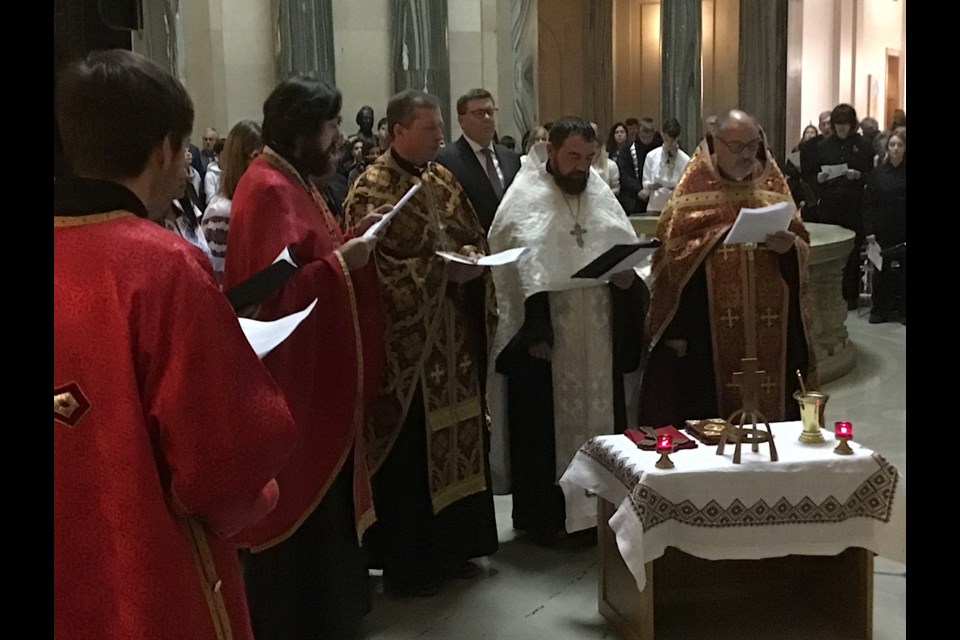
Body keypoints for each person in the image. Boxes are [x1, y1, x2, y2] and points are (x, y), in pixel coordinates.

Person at [54, 49, 296, 640]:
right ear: (164, 148)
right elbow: (218, 457)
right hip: (141, 560)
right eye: (185, 148)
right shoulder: (162, 266)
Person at [223, 77, 387, 640]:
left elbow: (311, 255)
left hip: (320, 381)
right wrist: (346, 264)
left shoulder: (296, 180)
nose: (339, 139)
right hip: (297, 385)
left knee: (328, 529)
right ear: (298, 134)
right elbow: (270, 293)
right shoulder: (268, 188)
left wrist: (353, 240)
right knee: (301, 540)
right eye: (329, 127)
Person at [343, 89, 499, 598]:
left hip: (452, 337)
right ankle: (412, 561)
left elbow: (471, 234)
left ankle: (455, 547)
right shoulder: (370, 187)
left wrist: (473, 258)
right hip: (407, 349)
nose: (438, 136)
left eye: (438, 127)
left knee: (459, 435)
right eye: (429, 128)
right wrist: (439, 272)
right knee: (413, 449)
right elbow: (374, 267)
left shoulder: (442, 178)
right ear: (397, 131)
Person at [487, 117, 647, 544]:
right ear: (552, 152)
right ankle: (548, 520)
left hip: (598, 334)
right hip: (547, 341)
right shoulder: (525, 196)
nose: (581, 167)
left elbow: (623, 248)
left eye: (588, 158)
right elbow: (517, 263)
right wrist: (535, 331)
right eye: (572, 156)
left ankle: (602, 514)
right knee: (543, 432)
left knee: (603, 422)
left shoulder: (598, 192)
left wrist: (628, 281)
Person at [639, 109, 818, 430]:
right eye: (737, 147)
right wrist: (717, 238)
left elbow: (802, 243)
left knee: (775, 415)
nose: (748, 154)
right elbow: (670, 258)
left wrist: (790, 248)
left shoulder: (772, 183)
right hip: (706, 330)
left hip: (771, 326)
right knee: (709, 417)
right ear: (713, 142)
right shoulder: (692, 189)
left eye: (754, 145)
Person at [812, 103, 874, 310]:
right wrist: (819, 179)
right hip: (830, 204)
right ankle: (829, 293)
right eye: (838, 124)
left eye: (845, 124)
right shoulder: (822, 146)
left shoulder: (864, 145)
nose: (841, 128)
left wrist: (859, 176)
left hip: (854, 204)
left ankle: (851, 295)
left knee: (853, 251)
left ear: (852, 125)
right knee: (830, 249)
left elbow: (872, 177)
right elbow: (811, 176)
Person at [436, 88, 522, 232]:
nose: (487, 118)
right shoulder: (446, 160)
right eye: (479, 113)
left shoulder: (512, 158)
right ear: (461, 120)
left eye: (490, 112)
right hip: (473, 246)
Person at [201, 119, 263, 283]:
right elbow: (218, 278)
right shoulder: (221, 211)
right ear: (241, 160)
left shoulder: (254, 202)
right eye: (257, 157)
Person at [864, 131, 906, 325]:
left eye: (900, 145)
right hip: (883, 229)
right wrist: (869, 230)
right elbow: (869, 203)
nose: (896, 148)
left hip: (904, 229)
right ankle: (879, 310)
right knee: (881, 273)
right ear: (887, 148)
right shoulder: (878, 173)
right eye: (892, 145)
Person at [641, 117, 690, 214]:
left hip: (675, 207)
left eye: (673, 140)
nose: (670, 144)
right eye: (667, 140)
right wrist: (651, 186)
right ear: (662, 135)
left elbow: (687, 185)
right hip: (655, 205)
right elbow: (645, 181)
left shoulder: (686, 160)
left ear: (678, 137)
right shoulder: (651, 156)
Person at [617, 117, 662, 214]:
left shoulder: (661, 151)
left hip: (656, 195)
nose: (647, 134)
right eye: (644, 131)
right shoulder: (627, 151)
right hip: (634, 197)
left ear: (654, 133)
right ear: (638, 131)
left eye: (650, 131)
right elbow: (623, 174)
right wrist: (639, 189)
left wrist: (650, 189)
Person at [590, 121, 621, 196]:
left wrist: (604, 194)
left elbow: (616, 188)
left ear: (601, 148)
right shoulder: (583, 164)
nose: (594, 150)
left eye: (596, 147)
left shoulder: (611, 165)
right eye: (591, 147)